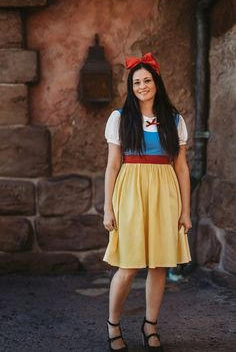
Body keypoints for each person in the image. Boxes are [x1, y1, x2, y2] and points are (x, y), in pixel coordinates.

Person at [103, 53, 192, 352]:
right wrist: (107, 207)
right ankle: (113, 324)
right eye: (136, 82)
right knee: (128, 265)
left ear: (156, 83)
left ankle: (150, 325)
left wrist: (186, 211)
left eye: (147, 81)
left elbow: (181, 168)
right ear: (131, 87)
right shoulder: (120, 118)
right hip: (130, 190)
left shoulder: (174, 119)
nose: (142, 86)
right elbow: (113, 166)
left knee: (159, 264)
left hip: (165, 191)